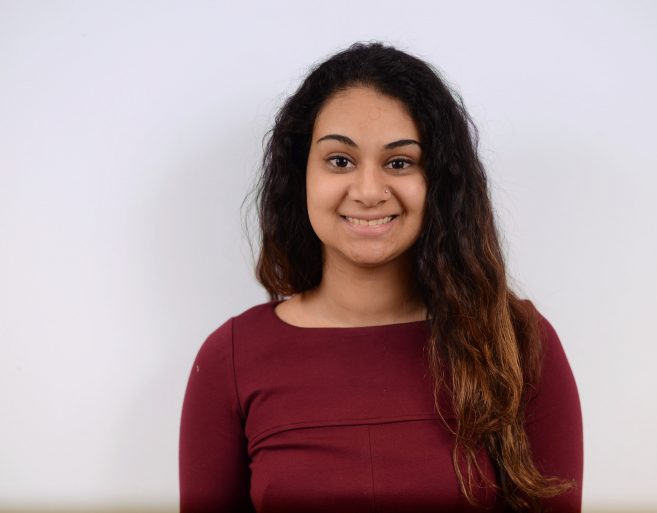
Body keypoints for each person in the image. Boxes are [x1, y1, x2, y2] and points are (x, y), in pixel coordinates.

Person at [179, 41, 582, 513]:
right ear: (300, 174)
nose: (369, 191)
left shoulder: (518, 343)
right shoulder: (230, 360)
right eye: (340, 160)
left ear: (438, 182)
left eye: (399, 162)